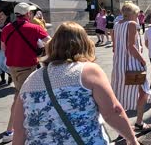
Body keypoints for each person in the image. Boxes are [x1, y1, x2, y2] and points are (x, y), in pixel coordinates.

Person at [12, 22, 140, 145]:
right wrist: (132, 139)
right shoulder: (88, 70)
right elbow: (112, 111)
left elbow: (19, 130)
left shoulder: (31, 79)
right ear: (84, 44)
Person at [1, 2, 51, 142]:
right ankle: (11, 131)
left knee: (20, 96)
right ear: (28, 14)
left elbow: (3, 48)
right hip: (28, 67)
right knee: (20, 99)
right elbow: (50, 43)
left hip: (12, 68)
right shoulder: (34, 28)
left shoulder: (7, 28)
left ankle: (14, 128)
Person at [111, 2, 151, 132]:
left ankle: (122, 128)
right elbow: (131, 46)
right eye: (137, 13)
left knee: (121, 95)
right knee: (144, 92)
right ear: (133, 14)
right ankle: (139, 123)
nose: (138, 16)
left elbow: (115, 47)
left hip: (119, 65)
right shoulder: (131, 24)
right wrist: (142, 60)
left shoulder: (116, 25)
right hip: (132, 65)